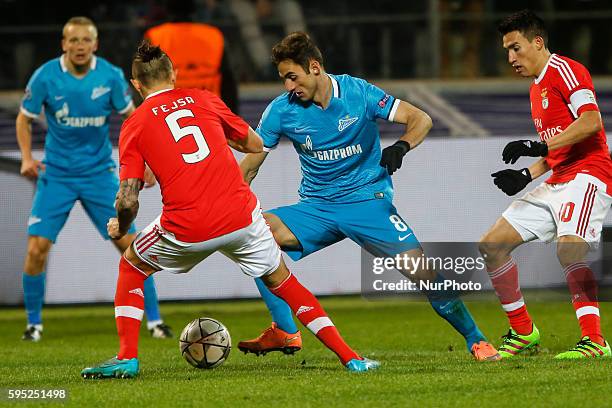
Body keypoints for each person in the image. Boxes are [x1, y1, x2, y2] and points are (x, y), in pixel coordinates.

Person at [81, 41, 378, 379]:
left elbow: (128, 200)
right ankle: (351, 357)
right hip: (241, 217)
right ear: (174, 75)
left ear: (136, 86)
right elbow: (253, 144)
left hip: (187, 226)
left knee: (132, 265)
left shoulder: (135, 125)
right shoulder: (205, 99)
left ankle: (126, 358)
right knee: (284, 281)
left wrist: (121, 227)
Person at [237, 32, 500, 361]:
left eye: (293, 77)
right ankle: (285, 330)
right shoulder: (281, 111)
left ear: (314, 67)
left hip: (367, 202)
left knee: (421, 271)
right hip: (317, 208)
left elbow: (421, 118)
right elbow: (249, 166)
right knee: (254, 235)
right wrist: (230, 205)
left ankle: (476, 339)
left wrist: (402, 146)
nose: (289, 87)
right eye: (283, 79)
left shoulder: (357, 93)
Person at [16, 16, 171, 342]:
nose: (80, 46)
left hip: (99, 174)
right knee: (35, 249)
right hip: (56, 175)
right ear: (64, 44)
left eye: (86, 40)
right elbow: (24, 118)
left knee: (132, 246)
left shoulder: (110, 77)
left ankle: (155, 322)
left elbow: (135, 118)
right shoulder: (45, 76)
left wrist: (146, 163)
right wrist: (28, 157)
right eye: (73, 40)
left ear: (95, 45)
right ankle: (33, 325)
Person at [480, 9, 612, 359]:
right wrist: (526, 175)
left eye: (516, 48)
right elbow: (558, 147)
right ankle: (523, 332)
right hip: (559, 178)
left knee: (569, 249)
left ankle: (595, 342)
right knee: (492, 245)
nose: (510, 57)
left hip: (589, 173)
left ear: (538, 42)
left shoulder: (565, 70)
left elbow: (591, 121)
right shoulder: (535, 88)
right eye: (507, 50)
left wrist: (539, 146)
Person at [144, 0, 239, 113]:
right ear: (194, 9)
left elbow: (145, 81)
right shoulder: (214, 35)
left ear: (167, 9)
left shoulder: (155, 36)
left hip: (169, 113)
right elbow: (228, 83)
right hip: (211, 112)